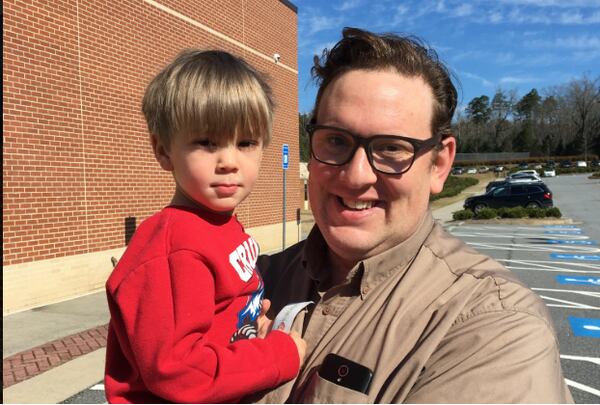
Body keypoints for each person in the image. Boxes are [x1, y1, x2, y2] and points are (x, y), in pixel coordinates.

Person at [254, 28, 573, 403]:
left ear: (439, 164)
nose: (356, 175)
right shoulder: (254, 279)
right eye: (336, 140)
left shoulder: (492, 326)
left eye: (391, 148)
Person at [104, 49, 306, 403]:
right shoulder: (174, 247)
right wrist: (278, 355)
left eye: (246, 143)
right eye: (207, 143)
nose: (229, 161)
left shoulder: (220, 224)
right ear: (164, 150)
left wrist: (248, 325)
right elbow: (179, 373)